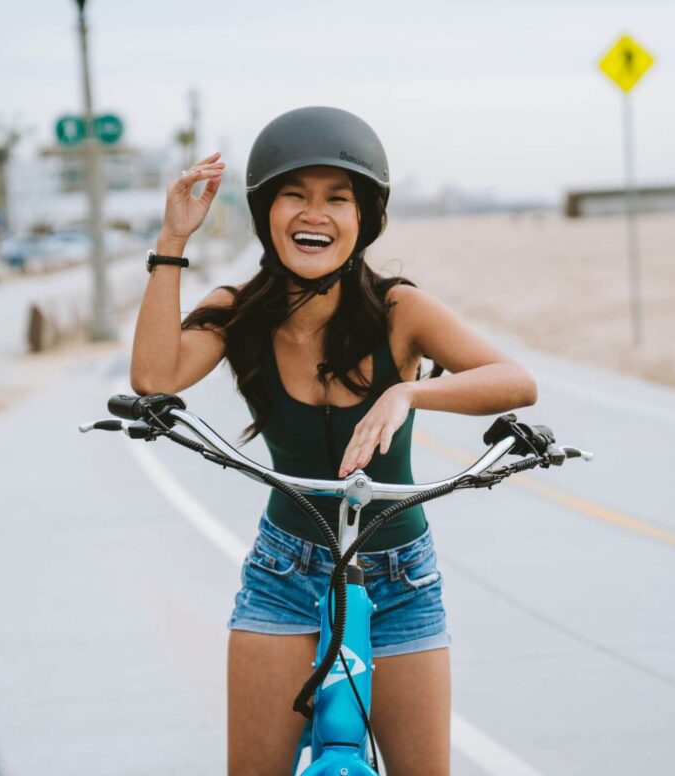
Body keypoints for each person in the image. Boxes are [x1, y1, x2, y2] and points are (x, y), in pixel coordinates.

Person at [130, 106, 537, 776]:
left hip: (402, 575)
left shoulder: (401, 310)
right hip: (283, 576)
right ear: (267, 214)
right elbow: (154, 376)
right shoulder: (240, 310)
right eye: (294, 195)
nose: (313, 213)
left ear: (363, 219)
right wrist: (173, 237)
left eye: (336, 199)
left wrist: (408, 391)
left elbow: (515, 381)